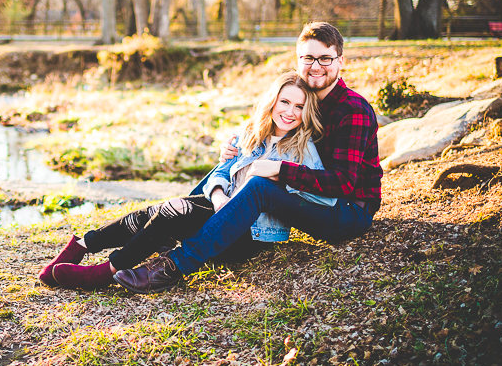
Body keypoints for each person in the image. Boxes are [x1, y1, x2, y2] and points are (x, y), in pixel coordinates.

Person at [113, 21, 382, 294]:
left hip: (347, 211)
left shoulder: (352, 109)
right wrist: (237, 149)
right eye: (308, 58)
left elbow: (343, 183)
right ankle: (177, 227)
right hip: (315, 197)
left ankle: (174, 266)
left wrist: (277, 169)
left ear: (340, 61)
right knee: (234, 169)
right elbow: (272, 135)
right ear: (298, 60)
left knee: (260, 186)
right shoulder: (306, 101)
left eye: (325, 58)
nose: (316, 66)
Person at [38, 71, 335, 290]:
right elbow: (221, 171)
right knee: (153, 213)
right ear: (273, 101)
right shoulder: (251, 133)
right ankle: (82, 244)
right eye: (285, 102)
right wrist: (219, 196)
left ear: (306, 111)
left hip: (249, 234)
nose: (290, 112)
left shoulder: (303, 149)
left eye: (299, 107)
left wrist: (281, 175)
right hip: (216, 209)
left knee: (170, 211)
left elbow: (322, 194)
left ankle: (107, 270)